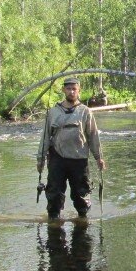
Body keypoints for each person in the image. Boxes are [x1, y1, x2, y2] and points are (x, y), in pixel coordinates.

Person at [37, 77, 106, 220]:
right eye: (68, 89)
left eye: (74, 89)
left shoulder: (85, 111)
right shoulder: (53, 112)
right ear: (64, 90)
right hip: (57, 159)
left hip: (79, 159)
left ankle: (82, 220)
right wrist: (40, 158)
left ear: (79, 90)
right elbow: (45, 137)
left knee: (81, 194)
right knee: (54, 194)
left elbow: (93, 135)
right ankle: (54, 221)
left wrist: (99, 157)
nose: (71, 91)